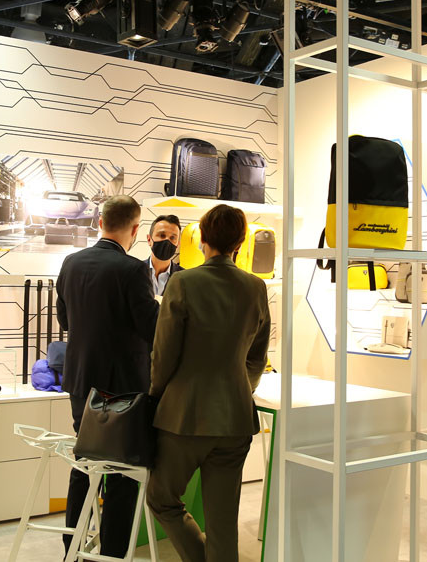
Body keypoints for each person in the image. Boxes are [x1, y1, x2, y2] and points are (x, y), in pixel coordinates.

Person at [146, 204, 271, 562]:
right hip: (235, 418)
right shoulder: (256, 286)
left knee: (162, 498)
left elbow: (164, 353)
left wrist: (157, 396)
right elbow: (257, 356)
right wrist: (241, 389)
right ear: (241, 241)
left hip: (183, 416)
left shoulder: (183, 282)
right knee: (223, 521)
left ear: (201, 237)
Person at [55, 195, 160, 556]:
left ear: (100, 222)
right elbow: (152, 328)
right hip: (122, 389)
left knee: (85, 462)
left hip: (79, 382)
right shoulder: (133, 270)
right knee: (121, 473)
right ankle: (113, 553)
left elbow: (65, 320)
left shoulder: (71, 262)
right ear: (136, 229)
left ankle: (72, 546)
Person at [145, 214, 183, 296]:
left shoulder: (184, 278)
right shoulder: (135, 272)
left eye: (172, 238)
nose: (167, 241)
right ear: (149, 239)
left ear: (178, 244)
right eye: (162, 235)